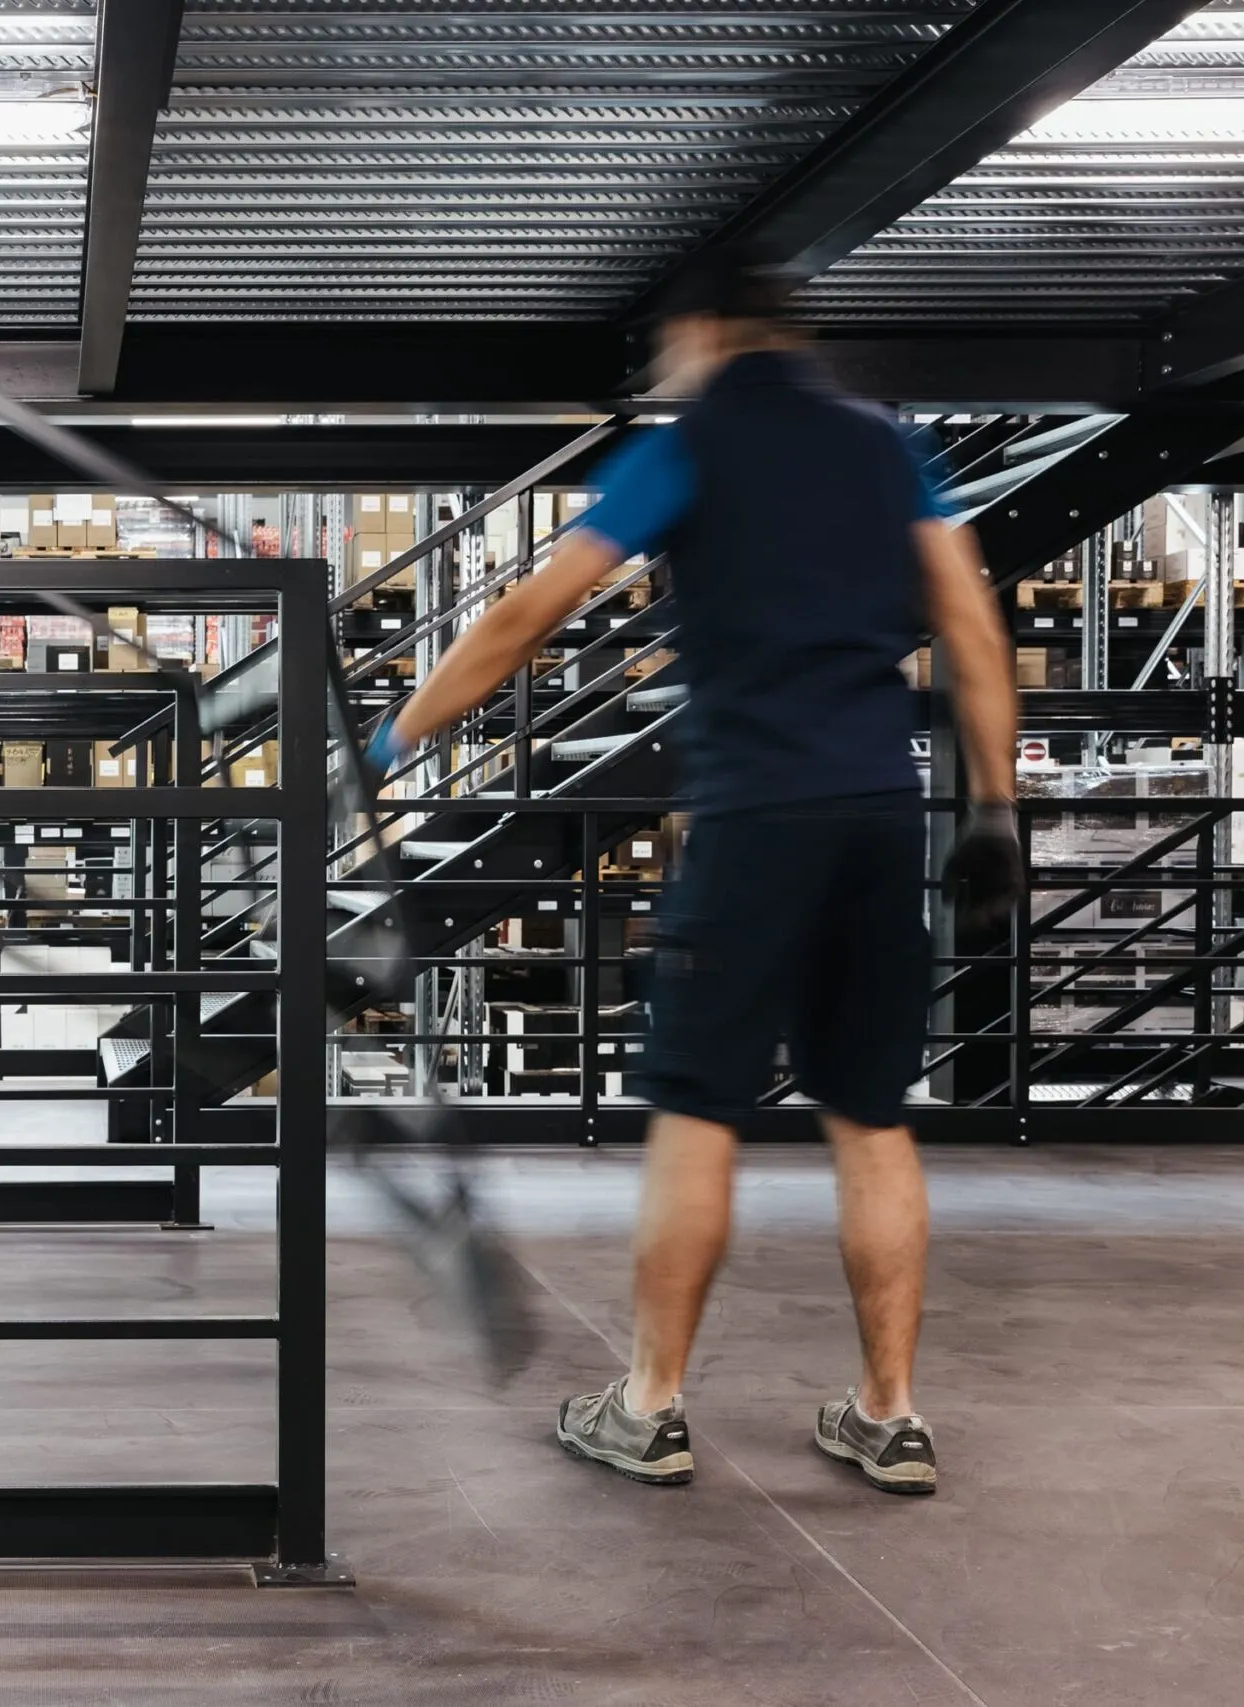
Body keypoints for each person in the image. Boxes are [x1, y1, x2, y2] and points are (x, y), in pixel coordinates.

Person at [368, 252, 1022, 1495]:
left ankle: (650, 1405)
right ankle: (888, 1415)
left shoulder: (691, 440)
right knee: (872, 1118)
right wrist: (991, 806)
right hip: (881, 815)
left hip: (753, 818)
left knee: (699, 1113)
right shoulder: (885, 447)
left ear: (707, 331)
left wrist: (401, 732)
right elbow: (972, 623)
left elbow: (527, 614)